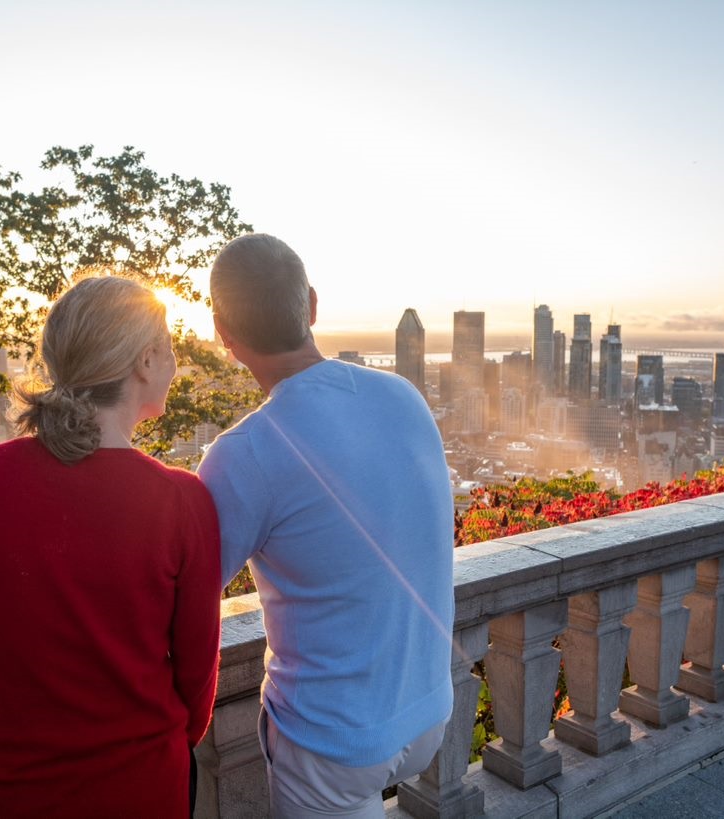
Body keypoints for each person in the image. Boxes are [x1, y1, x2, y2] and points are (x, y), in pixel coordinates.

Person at [0, 275, 221, 818]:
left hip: (3, 789)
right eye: (171, 350)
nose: (176, 365)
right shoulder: (181, 500)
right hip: (140, 789)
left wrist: (2, 739)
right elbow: (196, 680)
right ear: (147, 360)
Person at [197, 234, 455, 817]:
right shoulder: (403, 396)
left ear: (225, 335)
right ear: (311, 305)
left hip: (332, 743)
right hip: (428, 709)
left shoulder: (246, 452)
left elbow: (185, 593)